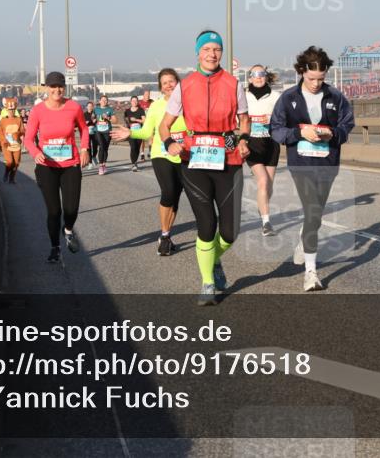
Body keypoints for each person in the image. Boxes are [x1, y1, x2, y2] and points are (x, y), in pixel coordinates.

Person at [159, 30, 250, 306]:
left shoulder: (234, 84)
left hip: (229, 161)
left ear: (222, 53)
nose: (212, 54)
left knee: (231, 231)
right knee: (207, 226)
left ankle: (214, 260)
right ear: (197, 53)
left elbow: (245, 121)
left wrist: (243, 140)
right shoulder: (184, 86)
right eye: (207, 49)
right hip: (195, 162)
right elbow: (165, 124)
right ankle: (207, 282)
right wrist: (168, 144)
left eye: (217, 49)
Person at [271, 47, 355, 292]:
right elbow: (275, 129)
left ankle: (303, 238)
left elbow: (347, 124)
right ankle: (311, 273)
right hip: (301, 164)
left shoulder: (336, 97)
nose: (317, 83)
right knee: (312, 210)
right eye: (311, 79)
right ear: (301, 72)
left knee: (315, 215)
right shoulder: (287, 98)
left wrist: (333, 133)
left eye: (321, 78)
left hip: (328, 163)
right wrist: (299, 132)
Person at [111, 69, 187, 256]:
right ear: (161, 88)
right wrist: (131, 133)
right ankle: (165, 234)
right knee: (168, 191)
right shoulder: (156, 107)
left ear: (178, 83)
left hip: (184, 154)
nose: (169, 85)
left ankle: (166, 235)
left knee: (175, 197)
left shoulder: (189, 104)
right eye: (165, 83)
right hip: (161, 154)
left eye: (172, 81)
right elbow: (146, 133)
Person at [23, 72, 90, 263]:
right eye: (53, 86)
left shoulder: (73, 107)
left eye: (60, 86)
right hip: (47, 166)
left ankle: (68, 230)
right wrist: (36, 153)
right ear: (47, 88)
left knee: (71, 209)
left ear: (64, 87)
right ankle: (55, 248)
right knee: (54, 211)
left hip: (70, 164)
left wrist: (85, 149)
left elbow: (84, 129)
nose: (57, 90)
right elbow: (28, 139)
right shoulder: (38, 111)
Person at [245, 64, 282, 236]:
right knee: (263, 181)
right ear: (250, 78)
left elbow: (284, 117)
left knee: (269, 186)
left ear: (266, 76)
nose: (258, 77)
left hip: (271, 144)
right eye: (254, 74)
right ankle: (266, 223)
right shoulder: (244, 97)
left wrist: (274, 120)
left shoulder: (276, 96)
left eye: (261, 74)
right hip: (252, 144)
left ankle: (263, 208)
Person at [0, 99, 24, 183]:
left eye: (13, 110)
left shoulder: (19, 120)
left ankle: (11, 178)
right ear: (7, 110)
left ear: (15, 109)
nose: (11, 111)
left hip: (16, 144)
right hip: (7, 145)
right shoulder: (3, 120)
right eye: (9, 110)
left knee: (16, 163)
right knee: (10, 162)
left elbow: (23, 131)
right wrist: (4, 141)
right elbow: (0, 131)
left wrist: (18, 134)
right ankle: (6, 172)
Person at [93, 95, 116, 175]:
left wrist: (108, 118)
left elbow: (115, 120)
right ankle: (100, 166)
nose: (104, 101)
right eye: (103, 100)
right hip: (98, 131)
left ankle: (104, 165)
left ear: (107, 101)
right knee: (102, 146)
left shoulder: (110, 109)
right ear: (100, 101)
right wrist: (93, 119)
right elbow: (92, 118)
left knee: (105, 148)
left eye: (106, 100)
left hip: (107, 131)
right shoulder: (96, 109)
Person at [123, 95, 146, 171]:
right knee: (133, 147)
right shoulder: (127, 111)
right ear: (131, 102)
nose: (134, 102)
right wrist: (126, 126)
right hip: (131, 132)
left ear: (137, 102)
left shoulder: (141, 110)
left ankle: (135, 162)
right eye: (133, 101)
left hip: (139, 132)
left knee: (137, 148)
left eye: (136, 101)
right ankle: (134, 164)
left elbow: (144, 121)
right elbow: (125, 121)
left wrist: (136, 120)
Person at [138, 89, 153, 161]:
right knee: (142, 139)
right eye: (146, 95)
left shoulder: (152, 102)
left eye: (149, 94)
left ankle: (150, 151)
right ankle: (142, 154)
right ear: (143, 95)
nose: (148, 96)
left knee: (151, 137)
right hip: (141, 123)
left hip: (150, 122)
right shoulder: (139, 103)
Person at [83, 101, 99, 170]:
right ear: (87, 107)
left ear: (93, 107)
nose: (90, 107)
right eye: (88, 106)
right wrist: (89, 122)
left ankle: (94, 156)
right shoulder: (84, 114)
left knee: (95, 145)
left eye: (91, 106)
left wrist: (96, 121)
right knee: (88, 147)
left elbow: (98, 120)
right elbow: (83, 123)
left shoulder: (95, 114)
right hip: (87, 132)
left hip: (95, 131)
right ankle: (90, 163)